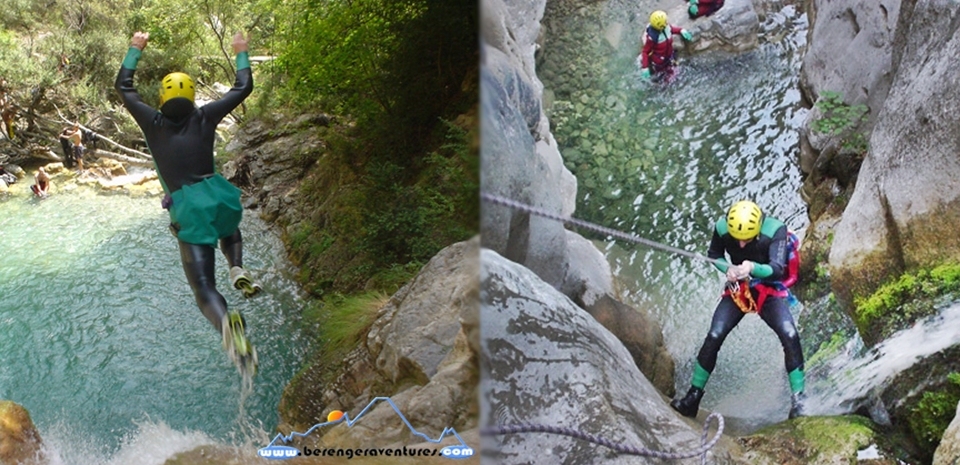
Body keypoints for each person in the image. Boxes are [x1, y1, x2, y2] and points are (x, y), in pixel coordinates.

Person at [115, 30, 261, 376]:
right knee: (228, 227)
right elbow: (243, 88)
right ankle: (237, 265)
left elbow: (125, 87)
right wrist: (241, 51)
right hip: (219, 197)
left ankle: (228, 324)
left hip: (189, 210)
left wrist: (136, 48)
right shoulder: (206, 116)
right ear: (194, 96)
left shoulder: (152, 122)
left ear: (163, 96)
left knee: (204, 289)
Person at [670, 201, 806, 419]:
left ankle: (799, 400)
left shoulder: (775, 230)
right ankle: (692, 398)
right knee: (715, 334)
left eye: (747, 239)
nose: (741, 244)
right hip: (739, 288)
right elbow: (714, 253)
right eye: (737, 239)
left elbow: (778, 269)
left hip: (768, 288)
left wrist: (752, 267)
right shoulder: (723, 228)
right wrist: (729, 269)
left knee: (789, 334)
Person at [638, 11, 693, 82]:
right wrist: (645, 67)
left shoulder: (666, 28)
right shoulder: (653, 38)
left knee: (674, 74)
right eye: (665, 21)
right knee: (664, 80)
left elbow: (673, 29)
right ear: (660, 25)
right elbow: (645, 52)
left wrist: (682, 30)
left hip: (669, 56)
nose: (667, 22)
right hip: (659, 62)